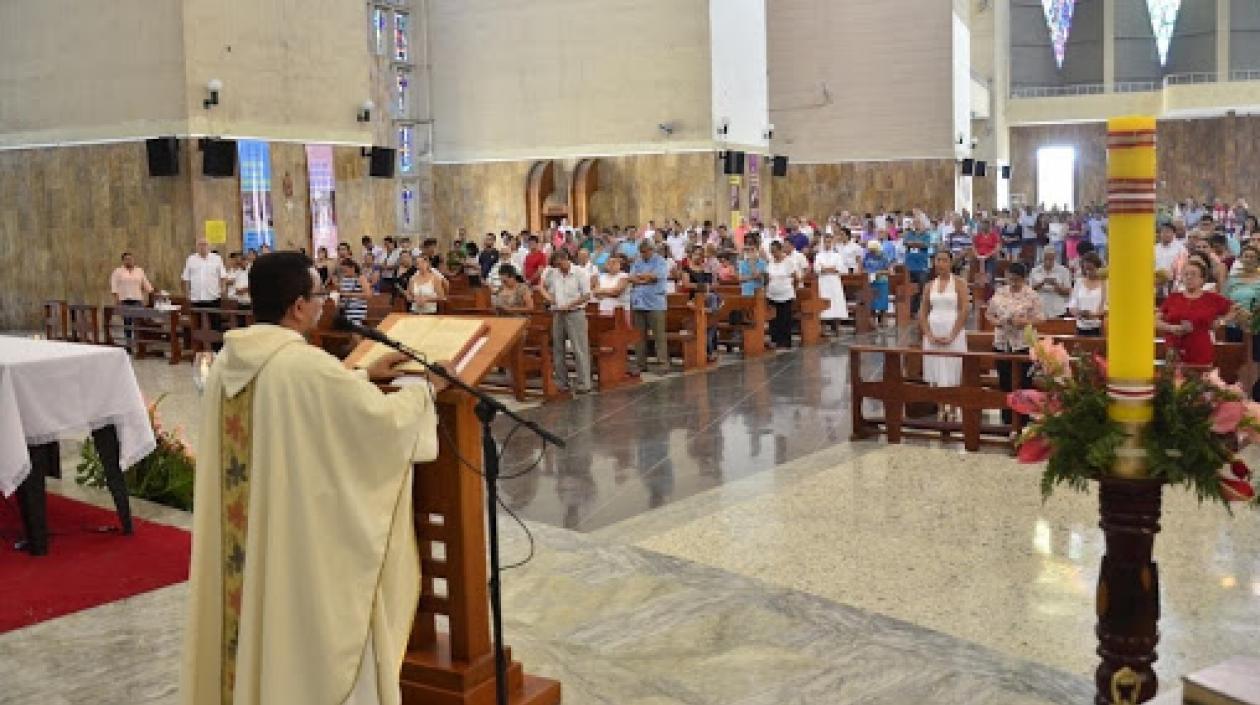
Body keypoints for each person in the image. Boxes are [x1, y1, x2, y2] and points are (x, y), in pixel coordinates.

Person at [181, 251, 441, 705]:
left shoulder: (229, 361)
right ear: (297, 306)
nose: (324, 303)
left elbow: (298, 405)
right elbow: (377, 423)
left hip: (248, 541)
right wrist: (424, 394)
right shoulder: (302, 365)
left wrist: (356, 373)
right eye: (318, 295)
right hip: (292, 548)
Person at [986, 262, 1044, 425]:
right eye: (1010, 279)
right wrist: (996, 322)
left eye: (1017, 280)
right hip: (1003, 342)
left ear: (1023, 279)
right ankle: (1007, 420)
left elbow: (1041, 317)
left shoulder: (1031, 295)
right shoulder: (1000, 292)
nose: (1013, 283)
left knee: (1024, 383)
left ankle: (1023, 420)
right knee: (1005, 381)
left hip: (1023, 344)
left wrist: (1026, 321)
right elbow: (989, 314)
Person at [920, 251, 970, 421]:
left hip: (952, 328)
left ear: (950, 263)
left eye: (944, 260)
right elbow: (923, 312)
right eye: (937, 260)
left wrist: (952, 335)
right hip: (934, 329)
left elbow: (964, 309)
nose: (940, 264)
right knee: (936, 370)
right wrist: (928, 334)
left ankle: (954, 408)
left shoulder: (959, 283)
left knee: (953, 368)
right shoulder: (929, 285)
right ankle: (941, 407)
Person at [1158, 258, 1235, 366]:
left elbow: (1235, 309)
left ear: (1202, 279)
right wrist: (1171, 328)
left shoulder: (1212, 298)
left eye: (1193, 274)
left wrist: (1221, 321)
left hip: (1201, 350)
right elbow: (1155, 320)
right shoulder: (1173, 297)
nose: (1189, 278)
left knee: (1199, 381)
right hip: (1174, 351)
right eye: (1186, 275)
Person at [540, 250, 592, 393]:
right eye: (556, 264)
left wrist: (570, 305)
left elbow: (587, 295)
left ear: (566, 259)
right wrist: (549, 298)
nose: (558, 267)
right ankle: (562, 382)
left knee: (579, 348)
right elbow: (542, 287)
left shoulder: (580, 273)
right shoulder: (554, 273)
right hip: (558, 313)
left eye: (560, 263)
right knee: (558, 348)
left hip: (575, 313)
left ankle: (584, 383)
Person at [1224, 246, 1260, 400]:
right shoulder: (1232, 280)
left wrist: (1252, 315)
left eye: (1253, 257)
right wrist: (1236, 313)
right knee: (1236, 359)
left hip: (1256, 325)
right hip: (1234, 323)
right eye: (1246, 256)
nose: (1249, 259)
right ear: (1241, 259)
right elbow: (1224, 301)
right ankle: (1236, 394)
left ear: (1258, 260)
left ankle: (1255, 394)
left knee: (1255, 360)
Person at [629, 241, 671, 372]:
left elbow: (655, 276)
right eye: (641, 252)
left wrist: (642, 278)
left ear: (651, 250)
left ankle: (663, 364)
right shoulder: (637, 261)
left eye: (645, 251)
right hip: (639, 303)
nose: (643, 254)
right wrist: (644, 278)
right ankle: (641, 364)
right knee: (639, 336)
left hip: (655, 303)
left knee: (659, 336)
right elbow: (632, 278)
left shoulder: (660, 261)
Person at [765, 241, 800, 349]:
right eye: (771, 251)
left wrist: (793, 290)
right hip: (772, 294)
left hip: (785, 294)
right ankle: (774, 340)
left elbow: (796, 278)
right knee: (773, 320)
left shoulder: (788, 262)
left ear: (780, 250)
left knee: (784, 319)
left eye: (774, 251)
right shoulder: (770, 262)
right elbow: (768, 277)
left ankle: (785, 342)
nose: (773, 254)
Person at [813, 233, 848, 332]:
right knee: (823, 302)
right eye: (825, 242)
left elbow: (839, 268)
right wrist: (829, 268)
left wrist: (826, 268)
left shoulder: (837, 255)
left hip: (834, 281)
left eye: (829, 242)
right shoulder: (819, 255)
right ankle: (823, 328)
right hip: (823, 282)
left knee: (836, 302)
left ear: (832, 243)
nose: (827, 244)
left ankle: (837, 327)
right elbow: (817, 268)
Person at [1067, 253, 1106, 336]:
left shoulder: (1105, 284)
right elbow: (1072, 305)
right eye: (1086, 269)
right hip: (1080, 327)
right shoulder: (1079, 282)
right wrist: (1079, 313)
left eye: (1091, 269)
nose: (1088, 272)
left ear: (1098, 268)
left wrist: (1093, 315)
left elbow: (1107, 307)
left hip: (1099, 328)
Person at [182, 239, 228, 310]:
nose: (202, 247)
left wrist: (223, 290)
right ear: (197, 247)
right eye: (200, 245)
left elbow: (223, 276)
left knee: (214, 320)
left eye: (205, 244)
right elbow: (186, 278)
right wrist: (187, 294)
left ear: (209, 246)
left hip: (213, 298)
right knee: (197, 320)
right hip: (196, 298)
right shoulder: (191, 259)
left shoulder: (217, 258)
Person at [1030, 249, 1072, 318]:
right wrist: (1042, 283)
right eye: (1046, 259)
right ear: (1042, 258)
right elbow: (1029, 291)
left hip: (1057, 310)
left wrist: (1056, 284)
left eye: (1051, 259)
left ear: (1055, 258)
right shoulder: (1035, 271)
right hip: (1039, 310)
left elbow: (1068, 292)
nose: (1048, 261)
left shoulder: (1064, 271)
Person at [863, 240, 892, 326]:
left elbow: (889, 271)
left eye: (874, 250)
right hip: (871, 281)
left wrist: (879, 272)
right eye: (871, 250)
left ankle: (883, 318)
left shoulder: (883, 257)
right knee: (872, 302)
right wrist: (867, 272)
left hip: (881, 281)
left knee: (882, 301)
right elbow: (863, 267)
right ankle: (872, 320)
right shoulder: (867, 256)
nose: (872, 252)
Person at [336, 258, 372, 325]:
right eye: (342, 271)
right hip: (345, 309)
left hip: (357, 308)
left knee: (354, 327)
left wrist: (350, 295)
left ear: (352, 268)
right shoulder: (343, 279)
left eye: (345, 270)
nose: (344, 272)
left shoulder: (361, 278)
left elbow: (368, 294)